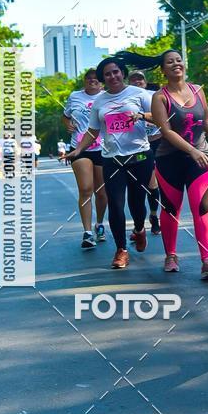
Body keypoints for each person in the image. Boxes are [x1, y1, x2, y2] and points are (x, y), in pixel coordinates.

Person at [123, 49, 208, 279]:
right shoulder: (160, 97)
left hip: (201, 156)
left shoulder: (198, 90)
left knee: (202, 207)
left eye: (178, 60)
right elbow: (166, 131)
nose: (175, 64)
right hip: (169, 159)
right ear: (163, 70)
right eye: (170, 62)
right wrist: (191, 151)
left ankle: (207, 260)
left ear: (184, 65)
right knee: (171, 209)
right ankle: (171, 254)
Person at [65, 56, 154, 269]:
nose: (112, 76)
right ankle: (121, 250)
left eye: (115, 72)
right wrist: (78, 149)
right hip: (112, 158)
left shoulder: (139, 94)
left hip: (139, 155)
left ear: (122, 73)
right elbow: (93, 130)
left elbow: (161, 116)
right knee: (115, 203)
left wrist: (141, 115)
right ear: (103, 78)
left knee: (137, 201)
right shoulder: (99, 101)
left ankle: (140, 229)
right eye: (107, 74)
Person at [62, 69, 108, 249]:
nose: (92, 81)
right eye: (89, 79)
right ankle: (87, 232)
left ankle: (99, 224)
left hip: (103, 148)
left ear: (101, 82)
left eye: (96, 79)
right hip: (79, 147)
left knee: (102, 192)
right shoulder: (74, 96)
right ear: (84, 81)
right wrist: (69, 125)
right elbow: (65, 116)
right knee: (85, 188)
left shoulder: (107, 96)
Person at [127, 70, 161, 236]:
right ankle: (139, 223)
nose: (137, 82)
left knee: (153, 182)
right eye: (133, 80)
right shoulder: (126, 99)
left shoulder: (154, 95)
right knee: (143, 183)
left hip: (158, 143)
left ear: (145, 82)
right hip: (139, 147)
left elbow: (163, 116)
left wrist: (141, 115)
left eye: (140, 79)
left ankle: (154, 215)